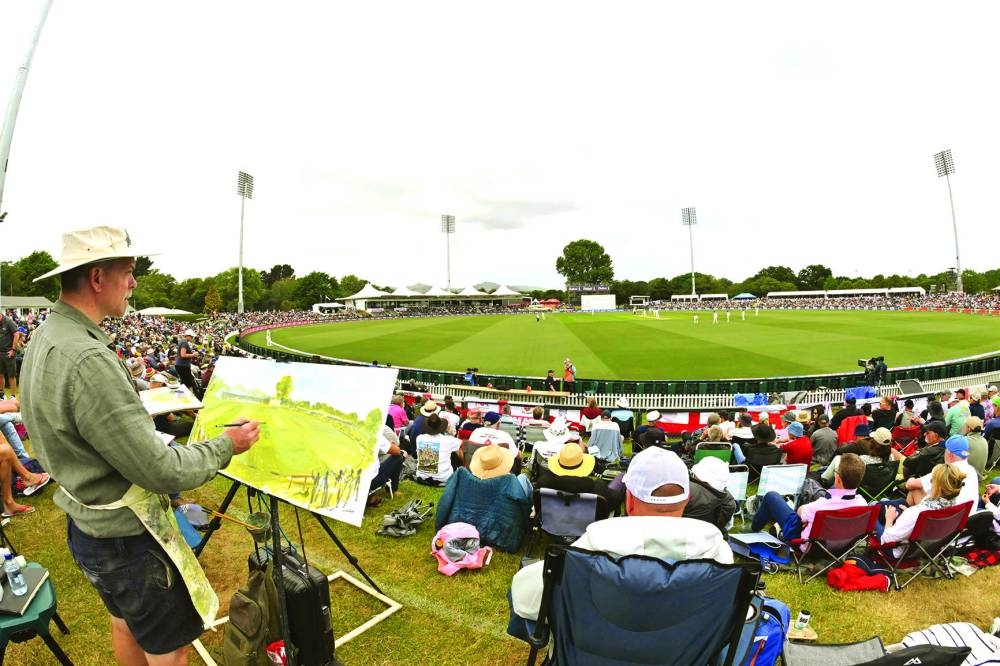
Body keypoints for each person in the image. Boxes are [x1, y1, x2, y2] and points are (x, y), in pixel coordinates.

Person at [19, 225, 261, 664]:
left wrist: (127, 415)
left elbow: (73, 419)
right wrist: (227, 444)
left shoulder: (49, 335)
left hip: (89, 524)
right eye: (127, 272)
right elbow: (161, 470)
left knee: (125, 620)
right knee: (170, 649)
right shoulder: (88, 357)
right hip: (125, 540)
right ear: (97, 278)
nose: (133, 283)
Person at [510, 448, 732, 623]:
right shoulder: (716, 547)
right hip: (682, 652)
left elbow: (526, 599)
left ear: (630, 500)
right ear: (685, 500)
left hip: (594, 649)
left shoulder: (599, 539)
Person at [752, 452, 868, 545]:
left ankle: (754, 528)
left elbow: (800, 512)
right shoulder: (863, 504)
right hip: (840, 546)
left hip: (808, 544)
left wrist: (806, 517)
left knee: (772, 496)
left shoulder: (821, 506)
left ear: (837, 478)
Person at [882, 463, 966, 554]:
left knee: (877, 508)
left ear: (937, 487)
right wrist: (908, 513)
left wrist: (889, 519)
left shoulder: (917, 513)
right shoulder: (955, 509)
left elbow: (887, 539)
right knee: (886, 502)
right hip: (928, 549)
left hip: (899, 552)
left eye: (931, 480)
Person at [684, 457, 737, 535]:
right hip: (712, 539)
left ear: (697, 475)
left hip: (680, 539)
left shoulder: (684, 490)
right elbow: (722, 527)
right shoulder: (728, 500)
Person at [415, 413, 463, 486]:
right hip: (444, 478)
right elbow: (461, 444)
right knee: (456, 452)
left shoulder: (419, 438)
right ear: (441, 427)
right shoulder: (448, 440)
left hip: (422, 476)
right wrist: (450, 432)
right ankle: (460, 468)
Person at [0, 310, 20, 396]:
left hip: (9, 353)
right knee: (0, 375)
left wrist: (13, 349)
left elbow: (16, 334)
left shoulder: (8, 321)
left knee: (11, 376)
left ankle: (13, 396)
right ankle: (2, 395)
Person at [174, 328, 200, 396]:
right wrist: (193, 354)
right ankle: (188, 396)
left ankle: (181, 395)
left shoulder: (182, 341)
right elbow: (183, 355)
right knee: (188, 383)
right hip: (183, 365)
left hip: (180, 365)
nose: (192, 338)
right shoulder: (184, 343)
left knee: (184, 382)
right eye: (191, 336)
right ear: (187, 336)